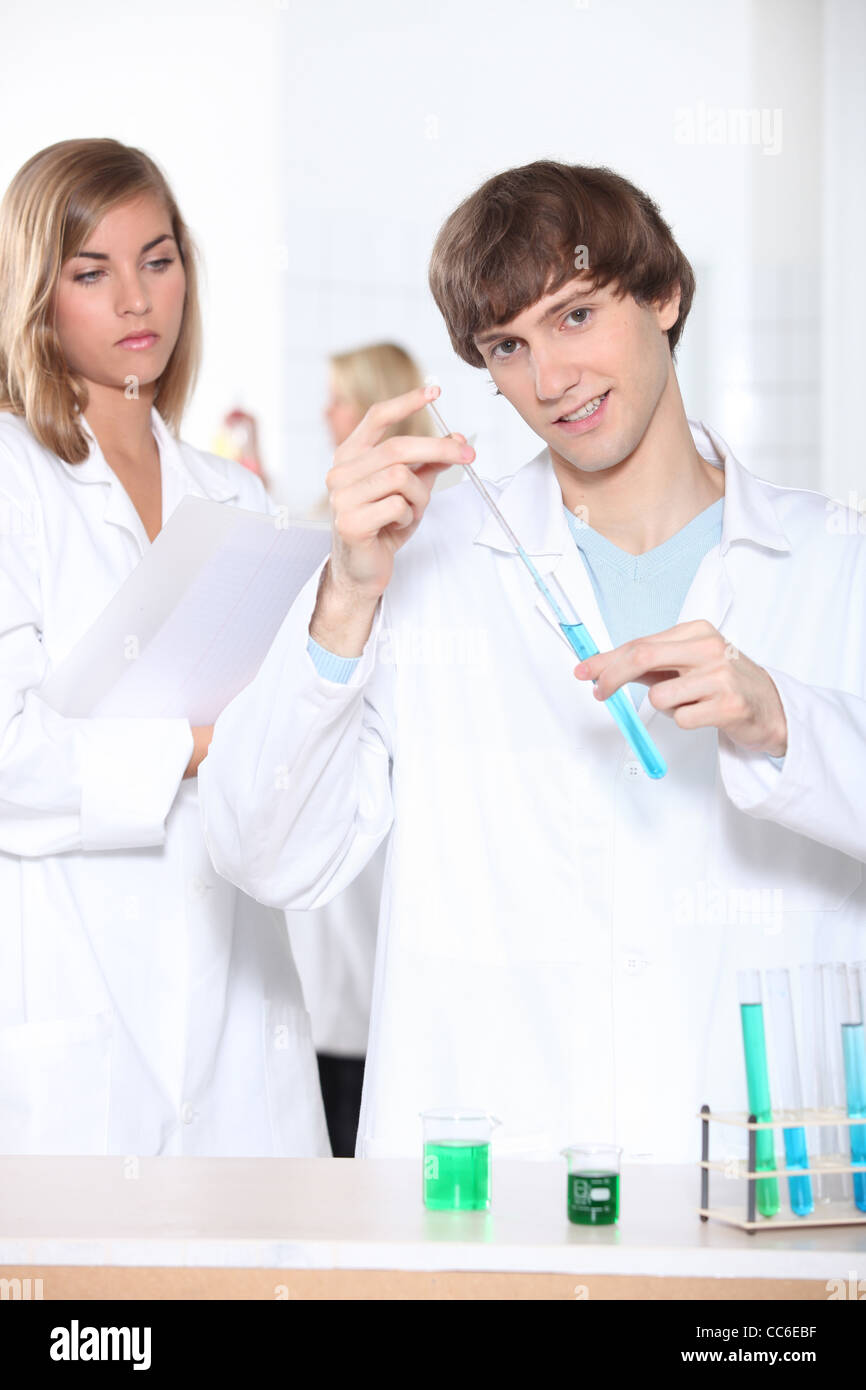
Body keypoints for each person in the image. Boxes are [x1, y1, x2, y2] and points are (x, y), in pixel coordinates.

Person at [199, 160, 866, 1164]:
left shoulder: (834, 560)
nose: (549, 381)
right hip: (485, 1185)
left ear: (663, 295)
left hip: (757, 1181)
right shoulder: (416, 563)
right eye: (506, 346)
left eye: (575, 316)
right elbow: (261, 852)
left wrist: (785, 723)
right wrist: (343, 597)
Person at [0, 138, 328, 1157]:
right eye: (91, 272)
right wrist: (192, 745)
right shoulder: (15, 477)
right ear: (35, 294)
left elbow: (285, 746)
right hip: (69, 982)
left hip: (239, 1001)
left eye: (158, 259)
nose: (136, 299)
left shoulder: (235, 495)